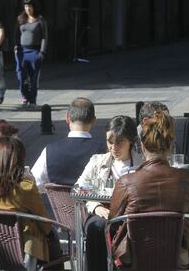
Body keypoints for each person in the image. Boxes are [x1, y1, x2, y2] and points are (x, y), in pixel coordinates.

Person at [108, 109, 189, 270]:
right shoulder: (186, 179)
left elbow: (112, 222)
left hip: (134, 258)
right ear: (170, 146)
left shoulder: (127, 181)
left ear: (142, 147)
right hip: (176, 256)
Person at [0, 136, 62, 270]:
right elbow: (44, 225)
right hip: (24, 251)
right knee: (52, 234)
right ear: (19, 161)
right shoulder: (25, 187)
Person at [74, 115, 143, 271]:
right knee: (96, 227)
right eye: (110, 143)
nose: (113, 148)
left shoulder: (142, 163)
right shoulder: (97, 161)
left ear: (131, 141)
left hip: (132, 214)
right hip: (103, 212)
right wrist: (96, 206)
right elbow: (79, 188)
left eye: (119, 143)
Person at [31, 97, 106, 193]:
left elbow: (34, 184)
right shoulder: (103, 151)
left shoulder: (50, 150)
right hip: (93, 206)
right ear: (93, 121)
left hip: (60, 207)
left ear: (67, 118)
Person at [14, 0, 48, 108]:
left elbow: (44, 37)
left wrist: (42, 53)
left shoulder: (40, 20)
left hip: (34, 52)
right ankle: (25, 97)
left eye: (30, 6)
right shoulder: (20, 19)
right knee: (21, 76)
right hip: (22, 52)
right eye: (26, 6)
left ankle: (32, 100)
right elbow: (16, 35)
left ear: (34, 7)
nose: (28, 8)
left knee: (33, 78)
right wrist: (15, 47)